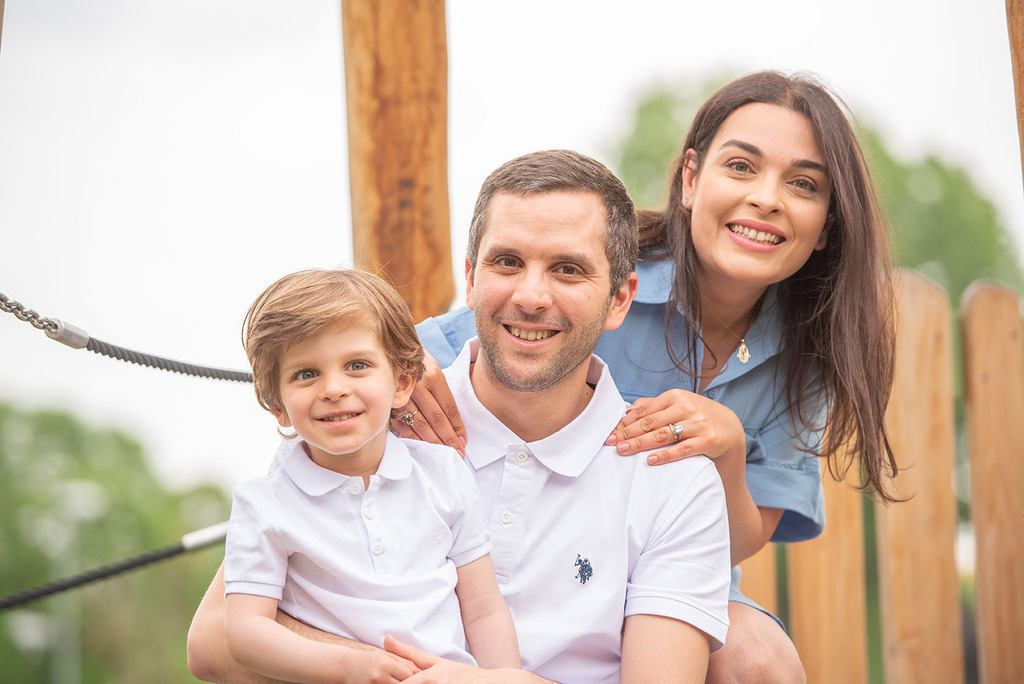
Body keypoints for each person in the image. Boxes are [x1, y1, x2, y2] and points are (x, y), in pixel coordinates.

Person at [402, 71, 898, 683]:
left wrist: (729, 454)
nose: (767, 197)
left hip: (660, 568)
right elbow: (465, 337)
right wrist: (404, 355)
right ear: (691, 179)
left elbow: (737, 544)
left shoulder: (807, 356)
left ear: (827, 223)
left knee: (757, 660)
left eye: (802, 184)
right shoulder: (594, 284)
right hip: (528, 541)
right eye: (741, 167)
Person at [187, 149, 732, 684]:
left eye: (568, 270)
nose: (531, 295)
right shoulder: (374, 423)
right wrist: (382, 670)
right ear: (470, 278)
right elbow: (215, 642)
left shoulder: (674, 479)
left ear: (619, 299)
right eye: (507, 262)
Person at [221, 268, 519, 683]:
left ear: (401, 383)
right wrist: (347, 666)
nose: (333, 388)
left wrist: (503, 679)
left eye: (357, 365)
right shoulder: (264, 505)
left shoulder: (443, 473)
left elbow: (484, 609)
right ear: (278, 405)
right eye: (306, 374)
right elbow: (244, 632)